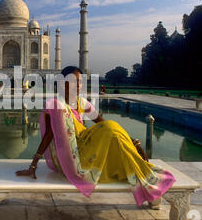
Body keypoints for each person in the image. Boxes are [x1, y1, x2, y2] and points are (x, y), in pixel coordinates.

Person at [16, 66, 175, 207]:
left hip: (88, 149)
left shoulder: (81, 103)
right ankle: (148, 182)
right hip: (73, 158)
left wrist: (132, 142)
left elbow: (102, 123)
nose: (78, 86)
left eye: (80, 82)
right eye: (73, 82)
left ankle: (145, 179)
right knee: (110, 128)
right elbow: (49, 135)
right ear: (62, 83)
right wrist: (34, 164)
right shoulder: (55, 105)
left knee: (111, 129)